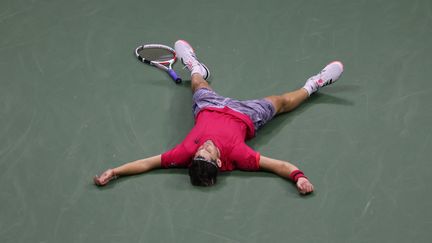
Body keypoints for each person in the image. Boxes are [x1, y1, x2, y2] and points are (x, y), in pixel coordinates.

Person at [94, 40, 344, 194]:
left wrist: (114, 171)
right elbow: (280, 166)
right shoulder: (239, 157)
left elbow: (147, 164)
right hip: (247, 115)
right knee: (280, 102)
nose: (203, 147)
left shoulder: (184, 155)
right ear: (220, 163)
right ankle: (315, 84)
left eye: (199, 152)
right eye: (208, 152)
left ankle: (194, 66)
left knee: (197, 83)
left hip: (209, 105)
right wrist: (299, 178)